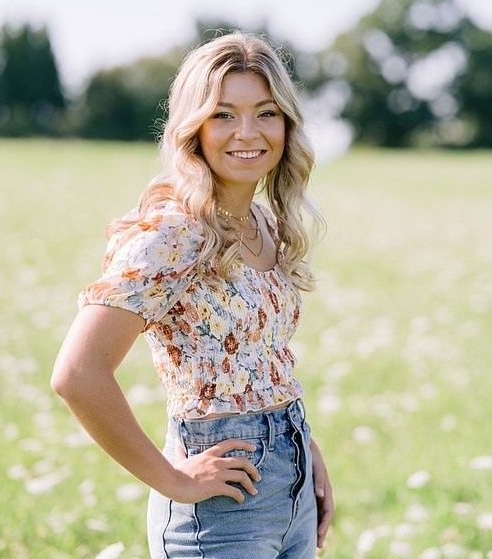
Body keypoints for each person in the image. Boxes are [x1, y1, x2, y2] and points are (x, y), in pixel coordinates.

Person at [51, 31, 333, 558]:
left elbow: (261, 361)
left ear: (287, 123)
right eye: (223, 114)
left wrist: (302, 448)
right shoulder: (173, 233)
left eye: (266, 112)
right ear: (193, 128)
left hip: (292, 490)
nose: (247, 132)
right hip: (220, 513)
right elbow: (77, 375)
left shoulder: (265, 224)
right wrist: (173, 481)